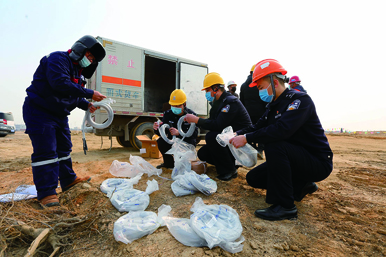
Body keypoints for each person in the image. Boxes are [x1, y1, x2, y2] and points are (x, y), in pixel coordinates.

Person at [230, 59, 333, 221]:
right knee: (254, 178)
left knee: (274, 142)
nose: (259, 92)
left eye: (261, 87)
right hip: (295, 160)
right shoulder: (273, 106)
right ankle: (300, 185)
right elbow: (257, 126)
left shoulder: (299, 100)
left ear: (275, 82)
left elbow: (282, 130)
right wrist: (236, 133)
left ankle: (285, 206)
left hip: (317, 162)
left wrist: (247, 138)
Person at [23, 35, 107, 207]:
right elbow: (60, 84)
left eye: (92, 60)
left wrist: (86, 105)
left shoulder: (79, 72)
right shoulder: (58, 59)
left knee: (64, 149)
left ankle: (68, 180)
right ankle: (47, 193)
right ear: (80, 50)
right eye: (89, 56)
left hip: (58, 114)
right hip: (40, 111)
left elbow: (72, 94)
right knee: (46, 152)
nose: (90, 61)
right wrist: (89, 93)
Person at [184, 72, 252, 181]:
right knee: (203, 153)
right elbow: (212, 122)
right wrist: (198, 121)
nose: (206, 94)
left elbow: (218, 125)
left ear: (216, 88)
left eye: (207, 90)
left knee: (212, 136)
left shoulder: (230, 102)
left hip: (239, 140)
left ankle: (229, 170)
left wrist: (197, 120)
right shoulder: (217, 103)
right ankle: (230, 163)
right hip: (228, 139)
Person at [153, 89, 198, 169]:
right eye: (173, 105)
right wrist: (157, 128)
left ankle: (183, 164)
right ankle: (168, 163)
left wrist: (179, 133)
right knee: (161, 141)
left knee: (181, 166)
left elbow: (195, 134)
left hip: (185, 142)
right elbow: (163, 132)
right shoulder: (168, 114)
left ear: (184, 104)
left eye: (178, 106)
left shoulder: (191, 115)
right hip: (172, 140)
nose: (175, 108)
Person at [239, 64, 267, 159]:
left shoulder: (243, 86)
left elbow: (241, 101)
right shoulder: (259, 83)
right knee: (261, 130)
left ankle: (252, 149)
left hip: (248, 113)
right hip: (260, 112)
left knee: (250, 130)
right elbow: (264, 99)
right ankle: (260, 149)